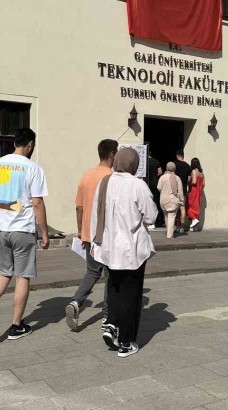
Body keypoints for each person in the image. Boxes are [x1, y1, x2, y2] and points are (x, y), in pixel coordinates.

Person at [0, 128, 49, 341]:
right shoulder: (33, 168)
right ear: (30, 145)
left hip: (0, 228)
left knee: (3, 273)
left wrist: (7, 205)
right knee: (22, 276)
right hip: (22, 229)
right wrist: (44, 233)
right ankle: (16, 326)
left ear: (14, 143)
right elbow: (37, 203)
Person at [91, 148, 157, 358]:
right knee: (131, 294)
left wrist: (95, 242)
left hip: (109, 247)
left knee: (114, 287)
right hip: (131, 248)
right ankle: (126, 342)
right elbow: (151, 216)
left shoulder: (105, 183)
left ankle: (112, 324)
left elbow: (95, 214)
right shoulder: (137, 185)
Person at [65, 139, 117, 332]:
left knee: (93, 272)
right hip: (107, 234)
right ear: (112, 154)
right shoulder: (112, 177)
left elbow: (79, 207)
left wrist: (81, 230)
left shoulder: (86, 175)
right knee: (110, 275)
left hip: (88, 233)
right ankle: (107, 316)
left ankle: (76, 302)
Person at [158, 162, 184, 239]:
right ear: (174, 168)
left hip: (163, 200)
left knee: (166, 216)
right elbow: (180, 191)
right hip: (173, 200)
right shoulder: (177, 178)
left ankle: (168, 231)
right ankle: (169, 235)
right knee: (171, 216)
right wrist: (182, 200)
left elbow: (159, 188)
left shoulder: (162, 177)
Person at [173, 150, 192, 232]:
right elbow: (189, 179)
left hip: (175, 189)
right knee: (182, 208)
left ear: (177, 155)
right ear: (183, 156)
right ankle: (182, 227)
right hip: (183, 189)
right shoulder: (188, 166)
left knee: (174, 208)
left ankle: (176, 226)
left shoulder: (174, 165)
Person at [146, 149, 163, 228]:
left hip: (146, 182)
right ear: (150, 153)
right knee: (156, 200)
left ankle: (148, 219)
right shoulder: (156, 161)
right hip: (155, 182)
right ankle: (158, 219)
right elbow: (160, 172)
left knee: (147, 201)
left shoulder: (144, 162)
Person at [186, 158, 205, 230]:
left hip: (193, 191)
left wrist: (188, 184)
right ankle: (195, 227)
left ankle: (194, 219)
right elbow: (203, 184)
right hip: (199, 192)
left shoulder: (194, 171)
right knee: (196, 208)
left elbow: (194, 181)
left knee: (188, 206)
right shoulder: (201, 172)